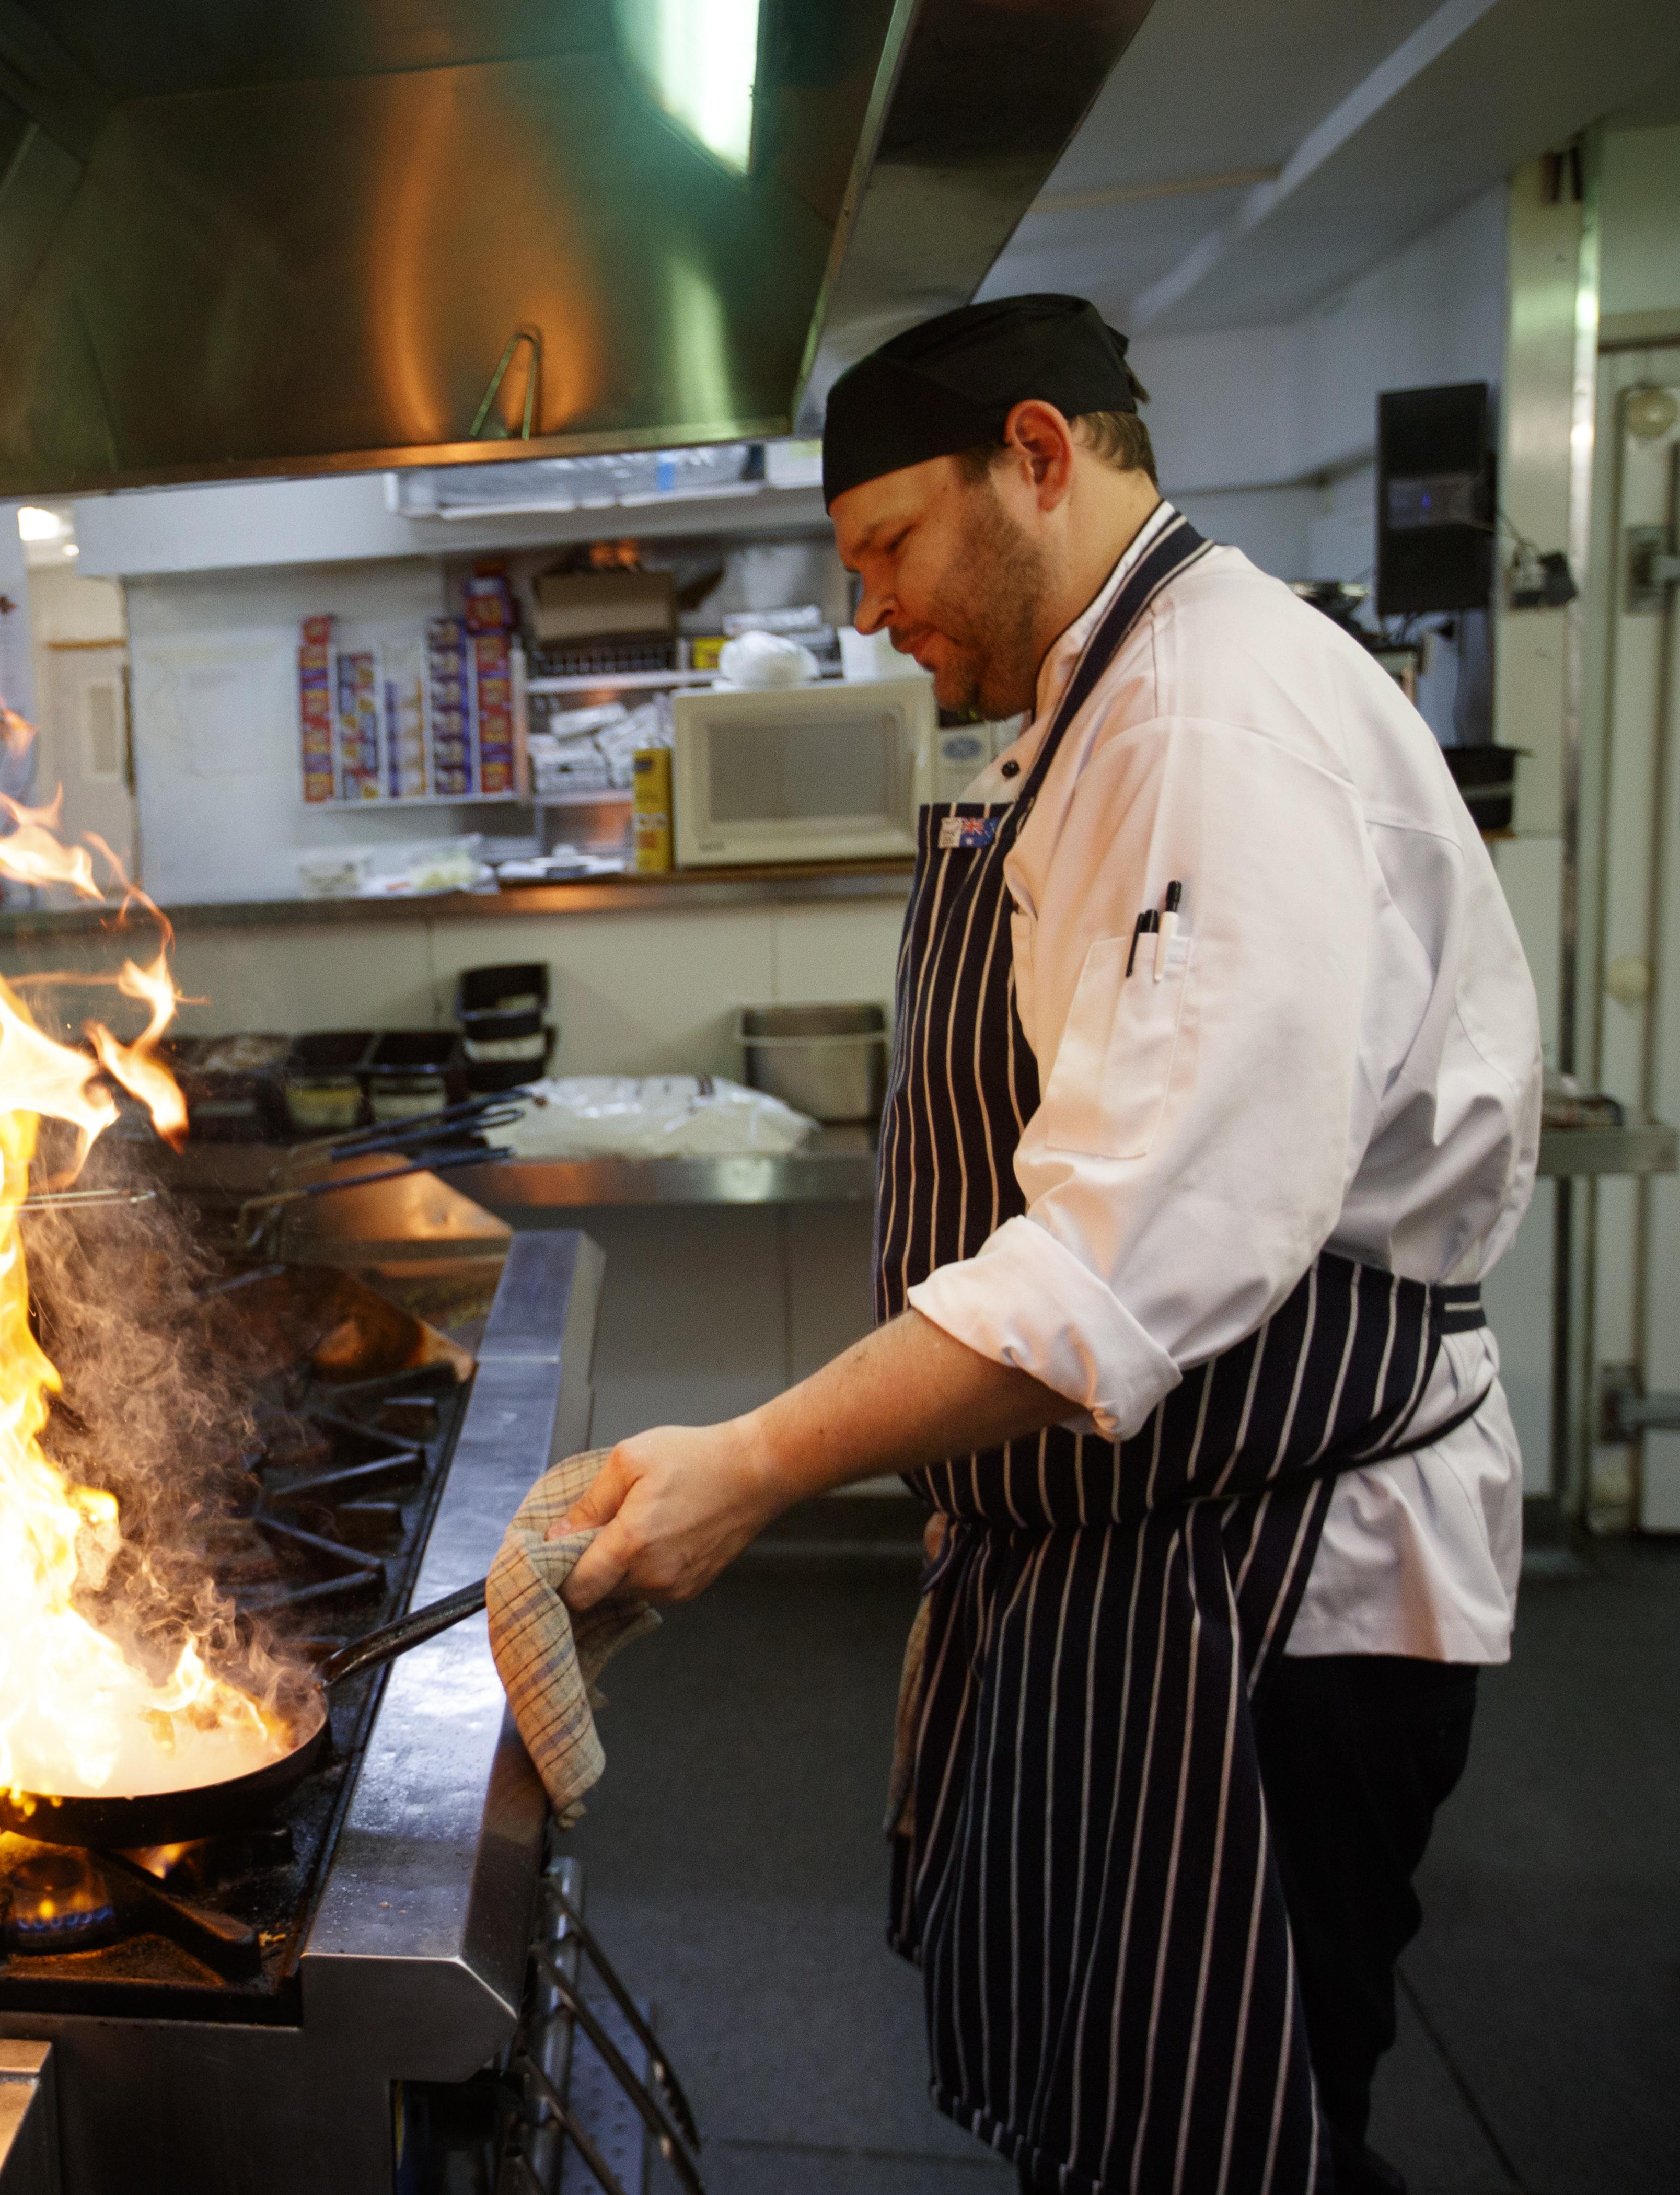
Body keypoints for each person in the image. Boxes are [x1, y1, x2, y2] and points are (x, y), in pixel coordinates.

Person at [555, 296, 1541, 2195]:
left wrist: (747, 1467)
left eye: (887, 551)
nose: (867, 614)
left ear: (1036, 453)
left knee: (1245, 2132)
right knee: (1152, 2110)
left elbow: (1116, 1264)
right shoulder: (1103, 702)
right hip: (1159, 1544)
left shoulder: (1208, 718)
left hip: (1278, 1593)